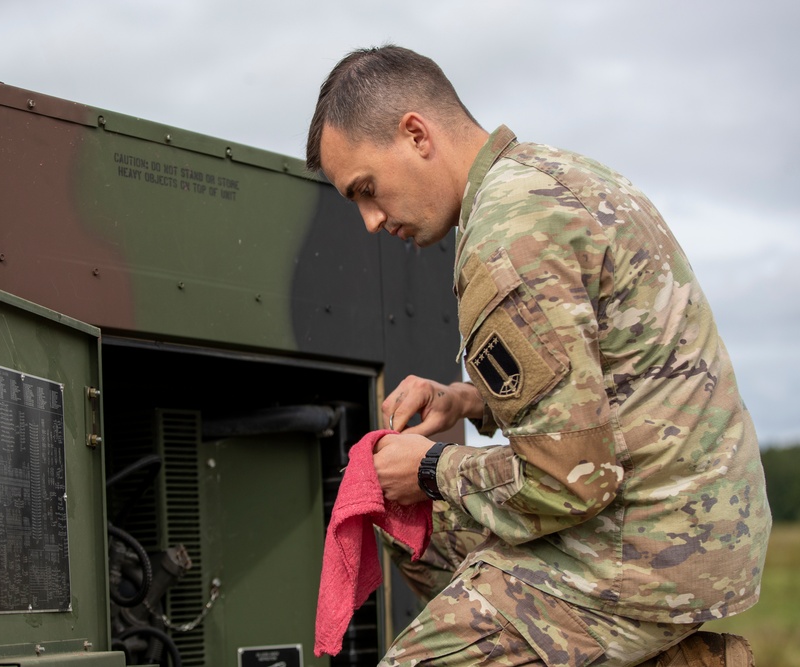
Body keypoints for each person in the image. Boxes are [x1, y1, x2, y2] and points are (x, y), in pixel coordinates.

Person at [306, 45, 770, 666]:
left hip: (649, 551)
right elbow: (603, 371)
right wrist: (466, 399)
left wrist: (429, 468)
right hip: (700, 521)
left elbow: (568, 482)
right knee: (420, 526)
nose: (368, 220)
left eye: (366, 189)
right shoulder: (548, 175)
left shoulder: (508, 236)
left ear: (415, 134)